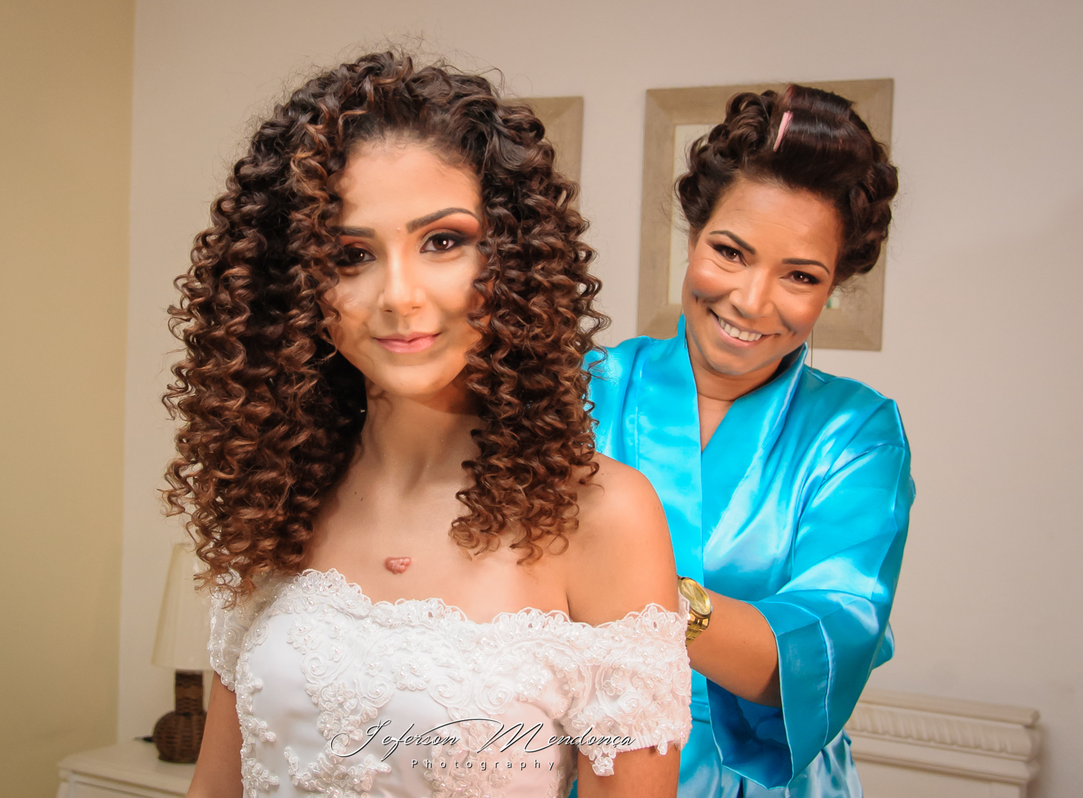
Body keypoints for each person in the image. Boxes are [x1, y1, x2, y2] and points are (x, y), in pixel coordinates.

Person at [163, 52, 691, 798]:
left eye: (442, 241)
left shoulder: (601, 516)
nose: (399, 296)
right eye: (351, 255)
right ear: (295, 286)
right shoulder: (274, 495)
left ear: (512, 258)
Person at [586, 85, 914, 797]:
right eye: (730, 252)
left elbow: (821, 649)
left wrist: (636, 594)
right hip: (586, 760)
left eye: (800, 276)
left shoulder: (857, 435)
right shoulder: (583, 389)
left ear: (834, 286)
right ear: (693, 236)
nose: (751, 301)